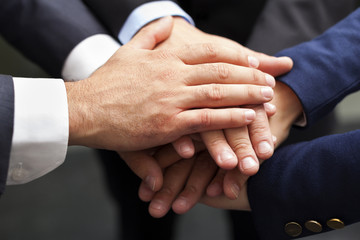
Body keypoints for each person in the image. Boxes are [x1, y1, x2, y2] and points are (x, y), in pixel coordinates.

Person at [80, 0, 358, 239]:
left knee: (261, 227)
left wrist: (269, 87)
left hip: (284, 82)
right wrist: (150, 19)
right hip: (131, 76)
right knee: (141, 211)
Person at [0, 0, 283, 198]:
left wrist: (267, 83)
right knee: (138, 204)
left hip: (281, 104)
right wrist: (94, 98)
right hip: (130, 114)